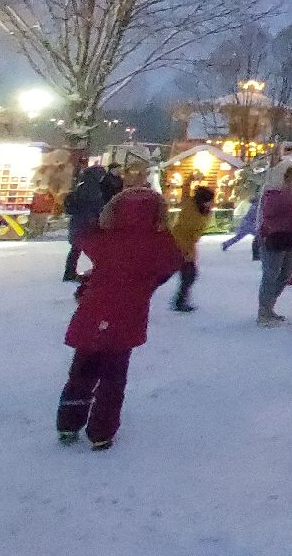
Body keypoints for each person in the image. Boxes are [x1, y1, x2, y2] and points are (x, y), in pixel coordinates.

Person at [57, 178, 182, 450]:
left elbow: (81, 237)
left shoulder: (104, 237)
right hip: (127, 318)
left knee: (81, 371)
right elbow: (173, 261)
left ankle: (68, 423)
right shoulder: (159, 241)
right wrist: (149, 281)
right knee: (113, 378)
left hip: (93, 312)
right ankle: (101, 432)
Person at [255, 161, 292, 326]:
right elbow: (274, 213)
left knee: (286, 274)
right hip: (273, 239)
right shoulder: (272, 195)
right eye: (288, 180)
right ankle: (263, 311)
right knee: (271, 273)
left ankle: (270, 307)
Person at [62, 165, 109, 283]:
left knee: (76, 249)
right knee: (95, 249)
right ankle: (100, 271)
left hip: (78, 222)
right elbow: (95, 206)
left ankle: (69, 272)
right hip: (88, 223)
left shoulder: (81, 185)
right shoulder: (94, 189)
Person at [170, 186, 213, 312]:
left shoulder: (202, 209)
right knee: (188, 273)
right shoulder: (190, 209)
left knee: (189, 274)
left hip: (188, 245)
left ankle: (181, 300)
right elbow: (190, 229)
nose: (211, 203)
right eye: (209, 200)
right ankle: (180, 301)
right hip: (180, 244)